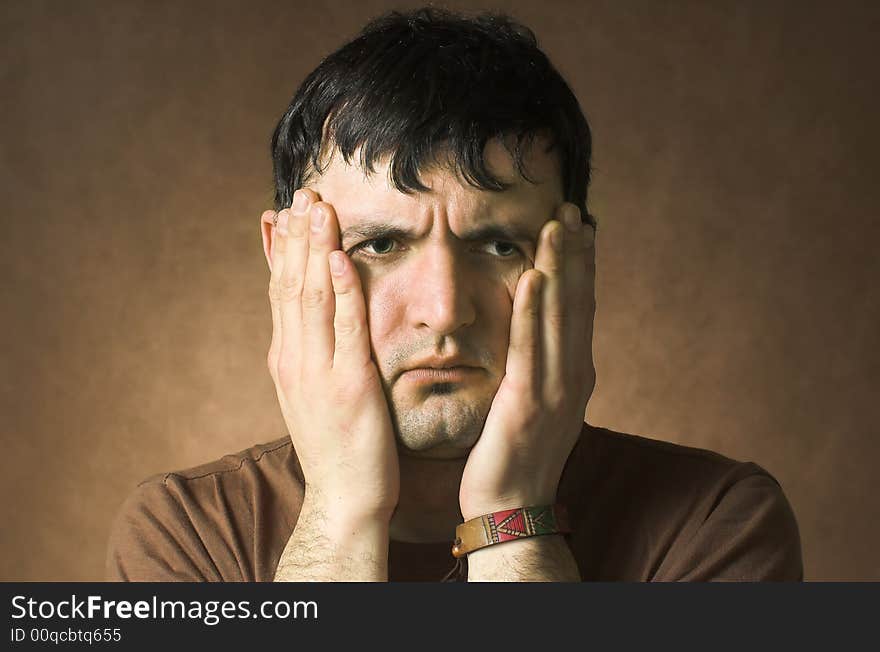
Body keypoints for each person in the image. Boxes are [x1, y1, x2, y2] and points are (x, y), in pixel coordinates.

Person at [106, 7, 802, 582]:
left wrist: (512, 516)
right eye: (378, 245)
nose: (443, 309)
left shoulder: (714, 524)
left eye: (499, 245)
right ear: (287, 261)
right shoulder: (187, 537)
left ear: (577, 262)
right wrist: (344, 512)